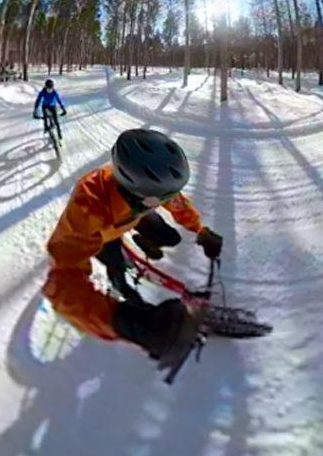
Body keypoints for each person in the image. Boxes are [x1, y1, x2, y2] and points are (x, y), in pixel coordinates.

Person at [43, 128, 223, 364]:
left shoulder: (146, 190)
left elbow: (177, 203)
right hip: (103, 236)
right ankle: (120, 288)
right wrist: (125, 322)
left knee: (169, 236)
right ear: (136, 193)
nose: (169, 201)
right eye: (162, 199)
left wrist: (200, 229)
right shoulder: (88, 206)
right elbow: (63, 282)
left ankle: (142, 241)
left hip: (134, 216)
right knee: (117, 271)